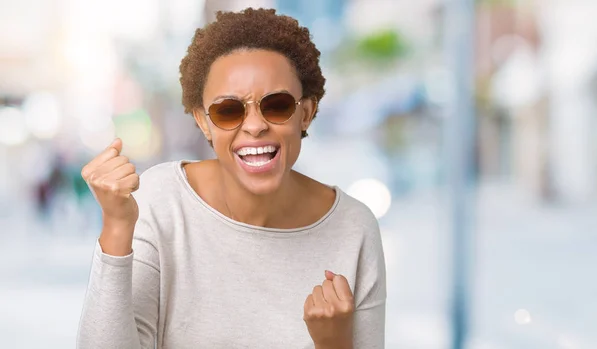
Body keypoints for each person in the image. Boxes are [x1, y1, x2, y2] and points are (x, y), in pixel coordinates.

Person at [76, 8, 386, 349]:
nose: (254, 126)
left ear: (306, 114)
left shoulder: (354, 228)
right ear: (203, 122)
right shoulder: (160, 202)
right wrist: (117, 228)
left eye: (277, 105)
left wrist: (335, 344)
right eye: (228, 110)